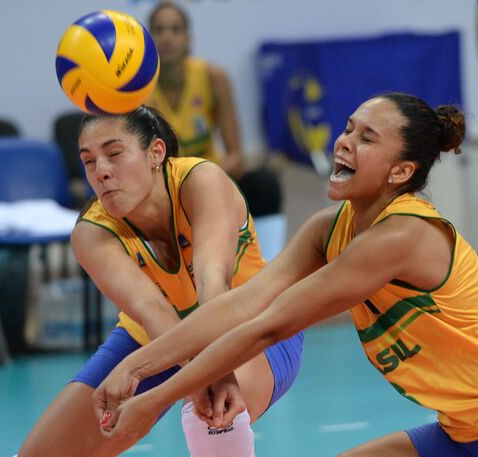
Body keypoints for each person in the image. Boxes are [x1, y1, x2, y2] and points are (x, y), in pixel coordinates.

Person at [95, 93, 478, 457]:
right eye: (348, 129)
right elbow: (243, 304)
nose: (344, 142)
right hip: (462, 433)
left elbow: (269, 326)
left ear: (402, 171)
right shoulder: (329, 229)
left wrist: (153, 398)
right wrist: (135, 366)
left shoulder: (403, 235)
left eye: (367, 138)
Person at [17, 106, 304, 457]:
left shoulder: (201, 181)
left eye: (115, 154)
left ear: (155, 152)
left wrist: (217, 369)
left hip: (251, 324)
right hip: (153, 336)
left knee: (212, 411)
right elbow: (150, 309)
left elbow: (214, 287)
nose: (101, 172)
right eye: (89, 161)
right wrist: (197, 373)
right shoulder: (92, 232)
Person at [146, 1, 245, 179]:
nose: (167, 38)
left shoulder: (214, 78)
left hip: (211, 178)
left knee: (264, 183)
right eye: (158, 30)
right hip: (165, 186)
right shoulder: (137, 89)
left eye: (176, 30)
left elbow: (236, 158)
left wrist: (206, 181)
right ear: (147, 40)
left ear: (188, 39)